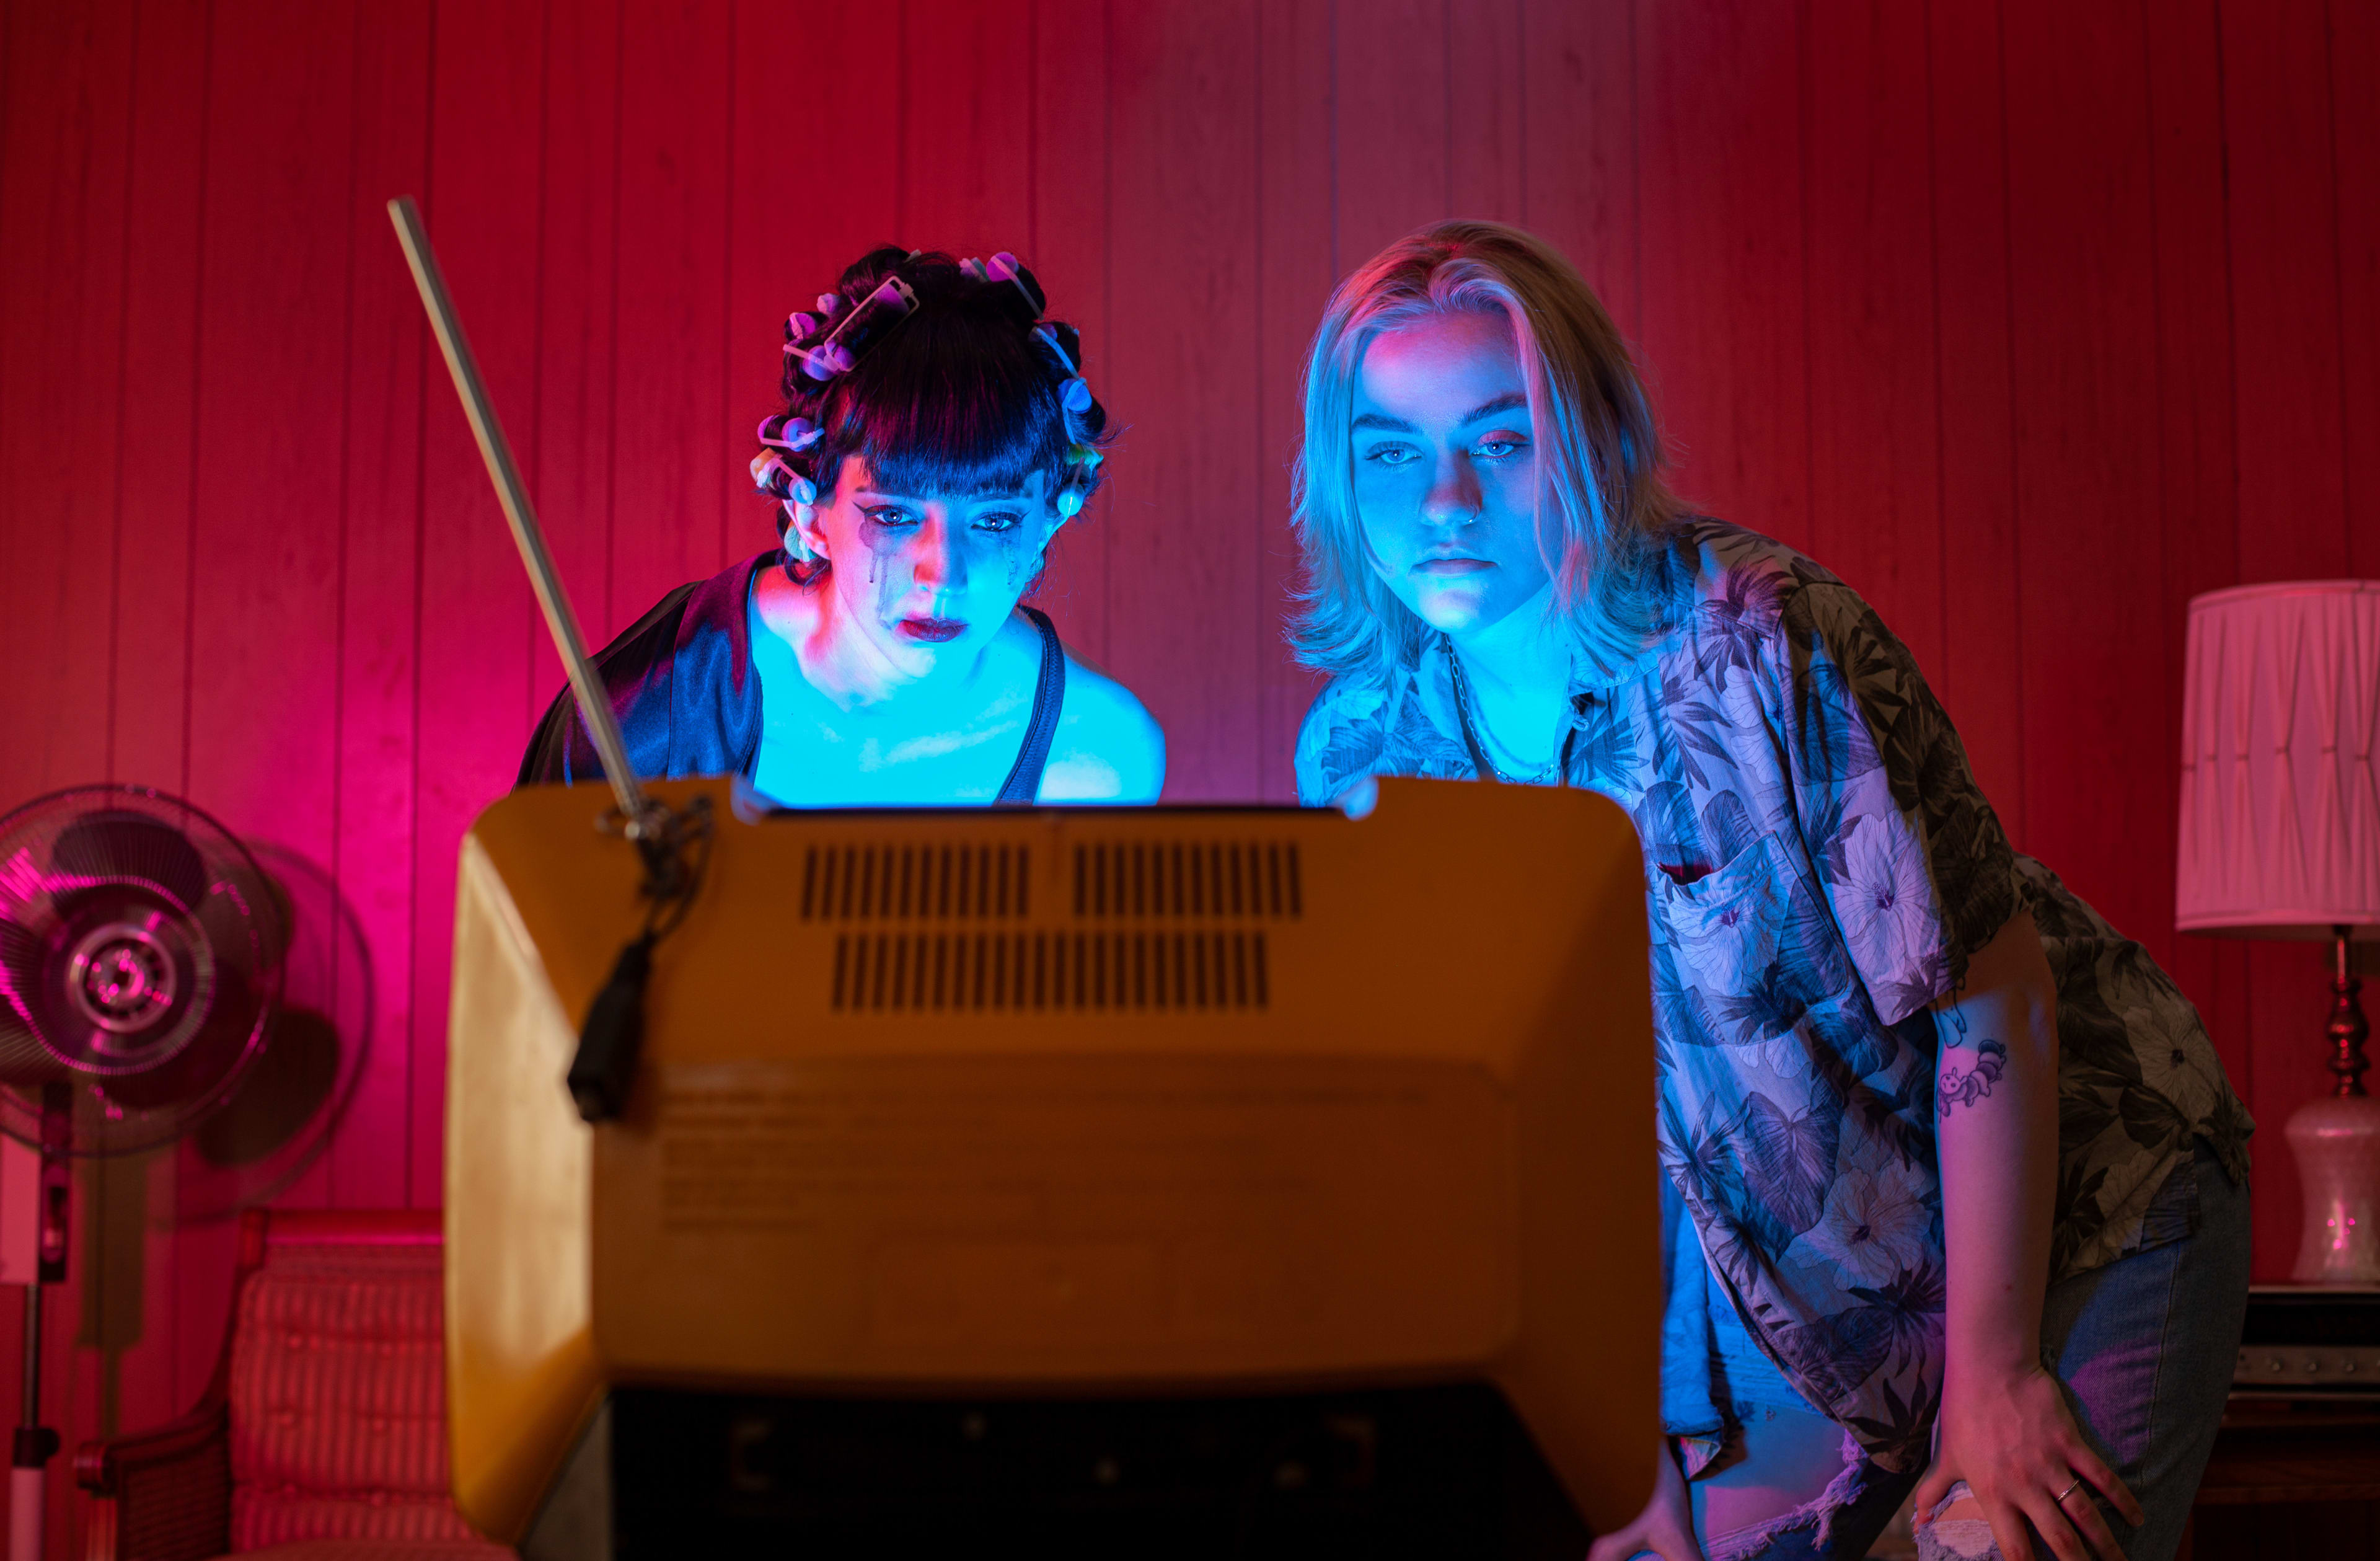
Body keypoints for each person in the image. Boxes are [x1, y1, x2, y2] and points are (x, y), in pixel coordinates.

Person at [1289, 221, 2251, 1561]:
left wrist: (1993, 1377)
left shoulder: (1761, 642)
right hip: (1796, 1284)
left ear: (1594, 445)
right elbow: (1542, 1148)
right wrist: (1632, 1459)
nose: (1444, 499)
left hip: (2078, 1194)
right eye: (1389, 450)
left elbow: (1993, 1002)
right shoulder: (1366, 753)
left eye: (1503, 442)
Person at [521, 246, 1165, 805]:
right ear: (810, 511)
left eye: (995, 520)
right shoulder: (654, 711)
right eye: (891, 515)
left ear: (1050, 524)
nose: (943, 574)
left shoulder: (1094, 756)